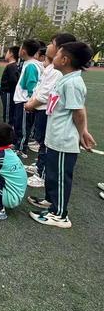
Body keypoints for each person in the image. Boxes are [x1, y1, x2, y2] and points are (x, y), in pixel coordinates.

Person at [28, 42, 96, 229]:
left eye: (57, 55)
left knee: (59, 177)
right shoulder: (65, 79)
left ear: (65, 60)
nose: (53, 57)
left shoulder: (73, 83)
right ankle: (51, 203)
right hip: (55, 136)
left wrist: (83, 133)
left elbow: (78, 112)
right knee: (52, 175)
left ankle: (60, 215)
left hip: (63, 140)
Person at [23, 33, 76, 187]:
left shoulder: (59, 71)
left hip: (46, 110)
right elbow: (40, 88)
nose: (48, 47)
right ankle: (40, 166)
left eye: (52, 43)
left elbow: (46, 94)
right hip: (40, 109)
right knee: (42, 141)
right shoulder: (52, 67)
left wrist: (31, 104)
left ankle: (42, 173)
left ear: (61, 49)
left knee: (45, 143)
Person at [13, 39, 42, 158]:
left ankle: (21, 149)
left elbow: (31, 84)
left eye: (20, 48)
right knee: (19, 124)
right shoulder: (29, 63)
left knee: (23, 126)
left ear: (23, 51)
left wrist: (30, 101)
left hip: (25, 101)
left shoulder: (31, 65)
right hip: (22, 100)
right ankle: (18, 145)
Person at [0, 46, 20, 125]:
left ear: (11, 54)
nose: (6, 54)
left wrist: (8, 89)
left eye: (7, 52)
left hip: (8, 92)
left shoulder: (11, 66)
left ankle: (7, 128)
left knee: (8, 113)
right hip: (7, 92)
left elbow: (14, 80)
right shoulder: (12, 65)